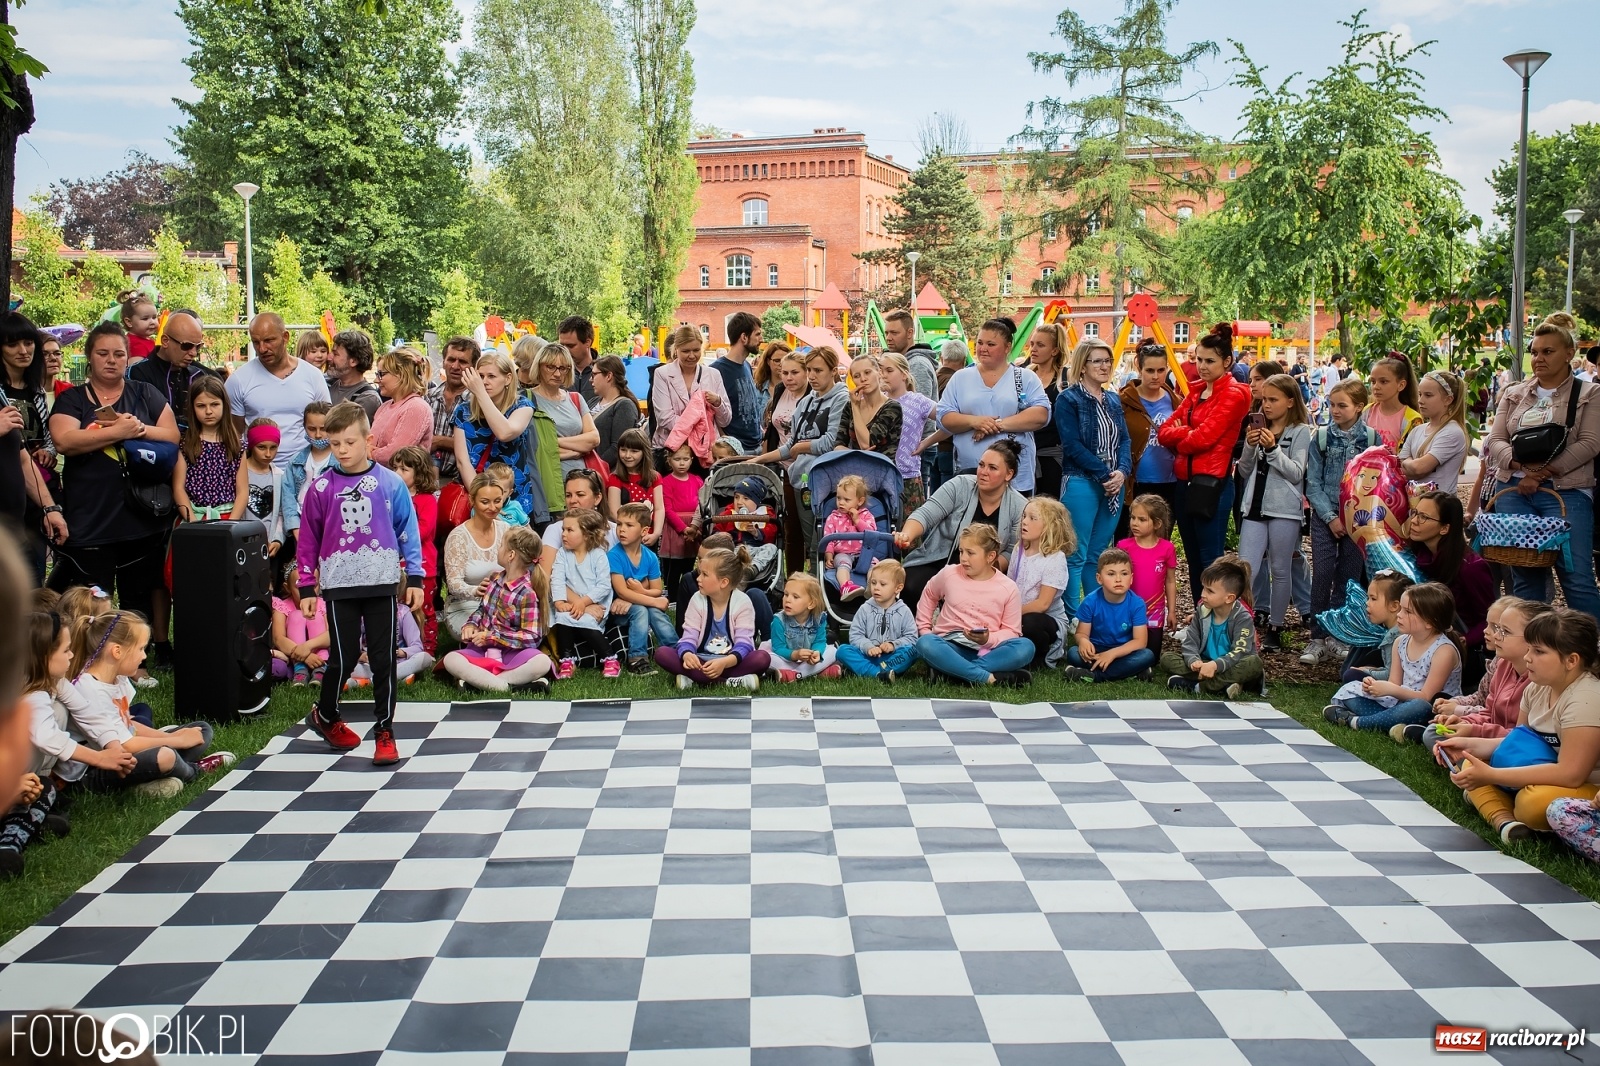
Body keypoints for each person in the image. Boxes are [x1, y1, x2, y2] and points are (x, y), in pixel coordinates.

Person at [296, 402, 425, 767]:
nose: (342, 450)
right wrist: (306, 586)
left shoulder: (391, 482)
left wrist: (414, 577)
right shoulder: (321, 487)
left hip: (382, 582)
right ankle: (326, 713)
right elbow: (308, 539)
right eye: (334, 443)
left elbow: (408, 532)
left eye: (349, 442)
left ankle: (384, 730)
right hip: (339, 586)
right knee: (345, 656)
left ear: (369, 440)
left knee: (383, 658)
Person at [46, 323, 180, 638]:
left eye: (119, 354)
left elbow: (172, 435)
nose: (111, 360)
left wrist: (136, 429)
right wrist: (116, 432)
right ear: (89, 357)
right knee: (92, 598)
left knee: (139, 594)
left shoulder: (144, 393)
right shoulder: (74, 399)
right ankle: (87, 661)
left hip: (142, 513)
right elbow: (65, 440)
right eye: (103, 353)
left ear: (127, 357)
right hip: (92, 516)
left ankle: (138, 661)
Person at [1439, 609, 1600, 844]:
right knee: (1469, 761)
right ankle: (1505, 820)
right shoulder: (1537, 687)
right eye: (1529, 648)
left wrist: (1493, 775)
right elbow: (1518, 742)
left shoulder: (1586, 698)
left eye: (1539, 651)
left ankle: (1495, 803)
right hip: (1542, 770)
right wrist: (1467, 744)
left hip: (1584, 786)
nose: (1528, 657)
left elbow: (1571, 774)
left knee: (1530, 804)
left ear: (1571, 660)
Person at [1482, 312, 1600, 617]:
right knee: (1525, 577)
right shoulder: (1513, 392)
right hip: (1513, 488)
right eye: (1534, 352)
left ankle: (1587, 656)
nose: (1538, 359)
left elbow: (1589, 443)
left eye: (1548, 351)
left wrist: (1540, 473)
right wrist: (1518, 464)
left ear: (1569, 354)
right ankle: (1530, 654)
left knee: (1577, 577)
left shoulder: (1590, 393)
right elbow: (1495, 440)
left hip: (1567, 491)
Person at [12, 610, 137, 873]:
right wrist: (101, 758)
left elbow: (89, 712)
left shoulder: (52, 681)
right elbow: (48, 737)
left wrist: (115, 749)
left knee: (44, 786)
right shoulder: (30, 694)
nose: (71, 656)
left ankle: (28, 812)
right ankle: (11, 839)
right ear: (44, 656)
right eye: (66, 651)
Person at [71, 610, 232, 797]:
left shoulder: (118, 677)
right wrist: (176, 740)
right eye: (140, 649)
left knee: (202, 730)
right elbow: (125, 746)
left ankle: (154, 777)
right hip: (93, 770)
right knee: (165, 755)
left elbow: (128, 725)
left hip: (125, 754)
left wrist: (170, 736)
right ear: (117, 651)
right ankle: (193, 771)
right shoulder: (89, 689)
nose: (144, 656)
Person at [1156, 324, 1252, 599]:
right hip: (1185, 482)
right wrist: (1186, 434)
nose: (1202, 366)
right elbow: (1164, 433)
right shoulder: (1196, 392)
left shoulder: (1233, 394)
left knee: (1211, 557)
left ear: (1227, 362)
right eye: (1199, 359)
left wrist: (1181, 436)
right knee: (1194, 556)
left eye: (1209, 361)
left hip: (1213, 484)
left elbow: (1205, 439)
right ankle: (1201, 615)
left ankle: (1216, 617)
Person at [895, 441, 1028, 612]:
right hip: (939, 560)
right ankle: (913, 631)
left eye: (992, 468)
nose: (983, 472)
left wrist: (985, 569)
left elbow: (1012, 551)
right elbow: (925, 514)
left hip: (985, 569)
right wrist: (906, 535)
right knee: (911, 585)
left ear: (1009, 474)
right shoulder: (959, 485)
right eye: (981, 465)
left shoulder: (1019, 506)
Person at [746, 347, 848, 559]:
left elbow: (831, 441)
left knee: (820, 543)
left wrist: (801, 448)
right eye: (809, 369)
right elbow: (790, 444)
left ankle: (817, 587)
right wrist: (759, 459)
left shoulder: (841, 398)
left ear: (833, 371)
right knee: (803, 537)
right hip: (801, 480)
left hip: (827, 481)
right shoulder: (807, 401)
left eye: (818, 370)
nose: (812, 376)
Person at [1303, 379, 1378, 666]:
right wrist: (1331, 517)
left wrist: (1355, 516)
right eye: (1332, 404)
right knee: (1322, 574)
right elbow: (1313, 483)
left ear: (1359, 407)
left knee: (1348, 577)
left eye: (1342, 405)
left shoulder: (1372, 439)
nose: (1335, 410)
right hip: (1326, 517)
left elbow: (1377, 481)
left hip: (1357, 519)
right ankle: (1317, 636)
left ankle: (1339, 635)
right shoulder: (1321, 438)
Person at [1324, 582, 1463, 736]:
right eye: (1401, 609)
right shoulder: (1400, 641)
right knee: (1351, 689)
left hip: (1430, 709)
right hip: (1399, 702)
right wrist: (1375, 686)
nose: (1399, 615)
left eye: (1407, 611)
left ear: (1429, 622)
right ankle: (1393, 724)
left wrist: (1391, 689)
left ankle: (1357, 722)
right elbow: (1394, 683)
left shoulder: (1444, 651)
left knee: (1419, 707)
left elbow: (1426, 697)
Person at [1056, 337, 1132, 617]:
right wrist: (1104, 474)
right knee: (1076, 554)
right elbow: (1072, 445)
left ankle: (1096, 613)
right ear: (1083, 365)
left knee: (1098, 554)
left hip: (1114, 484)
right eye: (1097, 361)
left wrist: (1122, 472)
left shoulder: (1112, 398)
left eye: (1108, 361)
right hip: (1082, 482)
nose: (1105, 366)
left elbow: (1124, 439)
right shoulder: (1069, 399)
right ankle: (1075, 619)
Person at [1412, 596, 1549, 749]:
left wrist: (1467, 722)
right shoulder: (1503, 664)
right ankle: (1466, 757)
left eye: (1505, 631)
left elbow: (1522, 739)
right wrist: (1464, 722)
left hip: (1514, 745)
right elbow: (1489, 712)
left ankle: (1469, 760)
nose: (1495, 635)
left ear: (1532, 639)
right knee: (1433, 732)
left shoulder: (1541, 680)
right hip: (1494, 736)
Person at [1236, 374, 1312, 651]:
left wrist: (1273, 448)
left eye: (1272, 399)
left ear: (1290, 402)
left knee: (1280, 569)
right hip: (1254, 507)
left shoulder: (1301, 431)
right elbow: (1244, 471)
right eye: (1263, 399)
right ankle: (1240, 623)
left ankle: (1276, 627)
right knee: (1247, 569)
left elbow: (1295, 473)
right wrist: (1249, 445)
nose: (1265, 405)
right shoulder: (1259, 428)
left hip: (1284, 510)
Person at [936, 318, 1051, 494]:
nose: (983, 348)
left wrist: (996, 425)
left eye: (991, 344)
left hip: (1015, 478)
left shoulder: (1025, 377)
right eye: (980, 342)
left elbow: (1041, 415)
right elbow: (944, 417)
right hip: (970, 476)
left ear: (1007, 347)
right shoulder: (961, 378)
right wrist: (974, 422)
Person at [912, 523, 1034, 687]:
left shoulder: (1008, 588)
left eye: (970, 553)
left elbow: (1012, 631)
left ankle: (953, 673)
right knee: (925, 643)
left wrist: (988, 639)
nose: (963, 558)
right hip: (949, 646)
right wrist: (925, 630)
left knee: (1026, 646)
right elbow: (929, 594)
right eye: (961, 551)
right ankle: (988, 678)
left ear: (990, 556)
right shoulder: (949, 574)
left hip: (988, 651)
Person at [443, 525, 553, 695]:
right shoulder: (494, 578)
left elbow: (532, 637)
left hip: (513, 652)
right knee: (451, 659)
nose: (498, 549)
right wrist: (471, 625)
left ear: (511, 555)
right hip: (482, 648)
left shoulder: (527, 593)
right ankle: (512, 685)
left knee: (541, 662)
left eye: (501, 545)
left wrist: (493, 637)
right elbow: (482, 609)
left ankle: (485, 683)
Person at [1407, 490, 1494, 687]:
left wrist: (1465, 640)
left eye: (1424, 517)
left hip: (1459, 651)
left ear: (1445, 528)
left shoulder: (1471, 567)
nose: (1415, 521)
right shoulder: (1416, 557)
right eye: (1415, 513)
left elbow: (1489, 619)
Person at [656, 546, 770, 691]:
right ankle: (731, 681)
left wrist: (724, 663)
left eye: (704, 574)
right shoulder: (697, 600)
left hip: (731, 661)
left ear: (723, 582)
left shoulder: (743, 602)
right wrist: (687, 654)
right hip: (701, 660)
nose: (698, 578)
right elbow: (688, 637)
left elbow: (744, 643)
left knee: (762, 658)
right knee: (662, 654)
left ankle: (695, 679)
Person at [225, 313, 332, 468]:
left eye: (269, 340)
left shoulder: (312, 375)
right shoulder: (238, 380)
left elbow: (327, 424)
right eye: (256, 342)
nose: (262, 348)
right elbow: (234, 434)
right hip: (258, 474)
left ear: (285, 337)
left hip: (307, 470)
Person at [1162, 555, 1262, 698]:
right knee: (1167, 658)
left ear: (1229, 598)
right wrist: (1193, 661)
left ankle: (1198, 686)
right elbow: (1191, 642)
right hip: (1206, 663)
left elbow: (1240, 652)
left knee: (1254, 663)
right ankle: (1225, 685)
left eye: (1210, 591)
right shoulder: (1202, 611)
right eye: (1203, 588)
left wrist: (1215, 666)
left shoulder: (1242, 617)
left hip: (1231, 664)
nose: (1203, 594)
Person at [453, 351, 535, 517]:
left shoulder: (522, 406)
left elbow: (505, 432)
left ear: (508, 378)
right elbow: (463, 462)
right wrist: (481, 497)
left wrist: (480, 394)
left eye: (491, 376)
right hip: (476, 493)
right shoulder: (463, 411)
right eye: (480, 376)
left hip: (513, 497)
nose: (484, 382)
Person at [1117, 343, 1181, 538]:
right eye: (1150, 370)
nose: (1156, 376)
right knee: (1129, 540)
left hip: (1168, 480)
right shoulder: (1123, 401)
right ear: (1140, 369)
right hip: (1135, 481)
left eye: (1161, 370)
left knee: (1160, 542)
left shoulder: (1175, 401)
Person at [1064, 547, 1155, 682]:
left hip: (1123, 652)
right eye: (1111, 574)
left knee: (1147, 655)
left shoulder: (1137, 604)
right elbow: (1081, 633)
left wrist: (1112, 654)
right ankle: (1131, 673)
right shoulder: (1090, 601)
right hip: (1097, 649)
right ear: (1099, 578)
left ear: (1131, 578)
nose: (1118, 579)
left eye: (1124, 574)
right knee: (1074, 654)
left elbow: (1140, 642)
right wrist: (1083, 642)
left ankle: (1095, 676)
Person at [126, 308, 221, 436]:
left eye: (198, 346)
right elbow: (141, 421)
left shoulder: (203, 376)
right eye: (186, 346)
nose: (193, 353)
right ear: (165, 341)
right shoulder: (138, 373)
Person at [608, 502, 677, 675]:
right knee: (642, 610)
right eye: (619, 524)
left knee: (652, 612)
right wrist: (654, 601)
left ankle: (676, 649)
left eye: (629, 525)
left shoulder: (651, 557)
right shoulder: (614, 556)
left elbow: (657, 589)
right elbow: (622, 591)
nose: (621, 529)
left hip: (636, 602)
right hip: (617, 610)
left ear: (644, 531)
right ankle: (637, 659)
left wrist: (641, 591)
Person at [549, 508, 618, 678]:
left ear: (586, 535)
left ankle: (609, 657)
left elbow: (604, 586)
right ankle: (566, 660)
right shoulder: (562, 554)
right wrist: (559, 601)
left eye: (570, 530)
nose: (564, 534)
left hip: (595, 605)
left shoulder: (598, 556)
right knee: (562, 617)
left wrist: (584, 602)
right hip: (571, 604)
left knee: (586, 620)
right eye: (563, 530)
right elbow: (556, 579)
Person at [650, 325, 730, 463]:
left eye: (696, 350)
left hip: (707, 454)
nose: (692, 356)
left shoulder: (713, 374)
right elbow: (664, 418)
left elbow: (725, 420)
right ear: (676, 350)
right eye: (686, 351)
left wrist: (718, 402)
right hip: (673, 454)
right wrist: (699, 434)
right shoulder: (662, 374)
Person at [1009, 496, 1073, 669]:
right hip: (1017, 614)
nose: (1024, 522)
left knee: (1031, 623)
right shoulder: (1019, 549)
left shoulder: (1055, 558)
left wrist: (1010, 614)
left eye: (1032, 518)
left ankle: (1043, 657)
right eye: (1024, 516)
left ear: (1050, 526)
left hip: (1045, 619)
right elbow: (1009, 586)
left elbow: (1043, 604)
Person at [442, 474, 509, 637]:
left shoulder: (506, 529)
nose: (492, 508)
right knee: (486, 635)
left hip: (502, 604)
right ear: (472, 500)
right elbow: (453, 584)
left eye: (497, 501)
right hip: (465, 605)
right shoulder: (458, 536)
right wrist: (476, 590)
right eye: (485, 502)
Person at [388, 446, 440, 654]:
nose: (397, 474)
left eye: (404, 469)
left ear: (419, 473)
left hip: (422, 566)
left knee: (423, 607)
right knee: (401, 608)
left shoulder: (427, 500)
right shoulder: (390, 497)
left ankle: (428, 648)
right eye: (394, 468)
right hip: (394, 565)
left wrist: (395, 534)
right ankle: (404, 644)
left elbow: (422, 531)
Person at [172, 375, 242, 523]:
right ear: (193, 407)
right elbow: (178, 488)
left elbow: (242, 491)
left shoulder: (236, 445)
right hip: (193, 516)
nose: (208, 411)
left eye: (215, 404)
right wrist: (192, 521)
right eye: (201, 406)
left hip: (227, 517)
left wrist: (230, 524)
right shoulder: (185, 444)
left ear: (224, 404)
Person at [1119, 493, 1179, 662]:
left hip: (1154, 612)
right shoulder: (1123, 546)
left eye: (1142, 519)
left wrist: (1172, 612)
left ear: (1157, 523)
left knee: (1151, 657)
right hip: (1127, 608)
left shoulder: (1167, 549)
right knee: (1127, 649)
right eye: (1133, 518)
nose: (1134, 523)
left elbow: (1170, 581)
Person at [837, 559, 919, 681]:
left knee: (914, 650)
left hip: (891, 658)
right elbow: (855, 635)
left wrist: (893, 645)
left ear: (898, 588)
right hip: (867, 656)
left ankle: (872, 671)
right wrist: (869, 647)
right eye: (873, 583)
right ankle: (878, 674)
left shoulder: (904, 611)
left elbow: (911, 638)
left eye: (883, 584)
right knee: (842, 650)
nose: (876, 588)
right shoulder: (865, 608)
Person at [529, 343, 601, 475]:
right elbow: (534, 447)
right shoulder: (527, 399)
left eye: (563, 368)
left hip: (580, 481)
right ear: (539, 367)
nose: (557, 374)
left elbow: (594, 438)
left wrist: (554, 442)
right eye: (551, 367)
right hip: (545, 478)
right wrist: (575, 451)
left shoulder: (575, 398)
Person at [880, 353, 936, 514]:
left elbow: (949, 420)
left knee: (908, 535)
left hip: (908, 478)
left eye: (889, 370)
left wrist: (927, 442)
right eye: (880, 370)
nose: (883, 375)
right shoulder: (876, 400)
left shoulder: (917, 401)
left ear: (904, 374)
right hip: (878, 477)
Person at [1400, 370, 1469, 493]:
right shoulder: (1417, 430)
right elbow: (1400, 466)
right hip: (1415, 505)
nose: (1420, 400)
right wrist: (1411, 465)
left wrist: (1410, 464)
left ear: (1448, 400)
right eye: (1420, 394)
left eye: (1428, 395)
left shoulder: (1452, 432)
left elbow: (1419, 468)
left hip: (1439, 507)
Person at [344, 595, 434, 688]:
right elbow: (352, 651)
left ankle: (367, 681)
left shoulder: (403, 612)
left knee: (425, 658)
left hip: (398, 662)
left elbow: (417, 647)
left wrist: (400, 652)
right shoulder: (360, 614)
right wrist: (363, 657)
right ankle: (398, 676)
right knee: (346, 665)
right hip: (369, 665)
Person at [763, 573, 839, 680]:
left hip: (808, 662)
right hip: (786, 660)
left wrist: (817, 653)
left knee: (833, 652)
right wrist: (795, 655)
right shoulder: (779, 620)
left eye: (795, 597)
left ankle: (793, 675)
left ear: (811, 604)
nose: (788, 600)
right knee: (767, 658)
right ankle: (814, 673)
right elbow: (778, 648)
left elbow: (820, 641)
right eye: (786, 594)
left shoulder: (819, 619)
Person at [1026, 323, 1070, 500]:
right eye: (1032, 344)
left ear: (1054, 351)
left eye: (1040, 345)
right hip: (1024, 456)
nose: (1033, 349)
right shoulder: (1024, 374)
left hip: (1052, 457)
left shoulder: (1066, 378)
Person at [833, 353, 903, 463]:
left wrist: (855, 407)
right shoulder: (849, 406)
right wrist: (857, 455)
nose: (863, 379)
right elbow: (838, 446)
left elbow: (866, 444)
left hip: (882, 470)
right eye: (857, 376)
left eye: (867, 372)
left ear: (879, 372)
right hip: (854, 471)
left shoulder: (892, 407)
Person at [711, 312, 764, 453]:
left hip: (756, 447)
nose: (761, 339)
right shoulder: (716, 370)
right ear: (744, 337)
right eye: (757, 334)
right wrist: (727, 445)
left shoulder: (746, 366)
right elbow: (712, 414)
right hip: (736, 451)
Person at [370, 347, 434, 465]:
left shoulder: (417, 407)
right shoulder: (384, 407)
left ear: (401, 374)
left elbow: (396, 454)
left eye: (381, 374)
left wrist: (368, 453)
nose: (376, 380)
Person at [233, 420, 286, 557]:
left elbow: (281, 513)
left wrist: (278, 539)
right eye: (261, 447)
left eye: (273, 447)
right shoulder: (238, 473)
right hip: (240, 544)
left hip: (268, 547)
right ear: (251, 446)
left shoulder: (280, 476)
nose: (268, 454)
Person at [428, 336, 478, 483]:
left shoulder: (478, 403)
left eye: (462, 362)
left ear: (474, 367)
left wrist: (440, 441)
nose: (455, 367)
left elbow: (477, 445)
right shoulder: (428, 397)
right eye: (451, 360)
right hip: (427, 481)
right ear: (443, 362)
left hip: (463, 483)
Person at [658, 442, 703, 596]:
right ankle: (672, 595)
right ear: (669, 460)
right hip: (675, 528)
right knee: (674, 566)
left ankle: (688, 593)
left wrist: (695, 528)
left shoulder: (697, 480)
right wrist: (683, 529)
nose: (682, 463)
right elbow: (667, 509)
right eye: (677, 459)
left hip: (694, 526)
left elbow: (702, 504)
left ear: (691, 459)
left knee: (689, 564)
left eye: (685, 459)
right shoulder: (666, 481)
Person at [822, 474, 877, 600]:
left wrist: (857, 521)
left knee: (874, 566)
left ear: (860, 501)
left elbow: (872, 533)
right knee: (842, 564)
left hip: (863, 553)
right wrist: (829, 555)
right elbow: (829, 537)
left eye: (846, 500)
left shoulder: (866, 515)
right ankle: (845, 586)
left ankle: (872, 586)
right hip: (843, 553)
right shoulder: (833, 517)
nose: (841, 502)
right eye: (838, 498)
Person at [271, 566, 327, 685]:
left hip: (320, 659)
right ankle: (300, 670)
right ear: (288, 588)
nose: (308, 593)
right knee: (296, 616)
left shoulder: (323, 605)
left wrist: (307, 647)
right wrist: (305, 656)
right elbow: (278, 638)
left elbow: (331, 635)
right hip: (294, 659)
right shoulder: (282, 607)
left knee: (315, 617)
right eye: (300, 588)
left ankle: (320, 670)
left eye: (314, 586)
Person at [606, 428, 663, 544]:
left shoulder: (655, 477)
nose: (627, 455)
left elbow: (659, 508)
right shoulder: (615, 478)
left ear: (644, 452)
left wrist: (656, 533)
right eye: (623, 450)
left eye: (634, 451)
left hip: (648, 537)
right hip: (624, 537)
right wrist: (631, 531)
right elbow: (614, 511)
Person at [1360, 353, 1422, 452]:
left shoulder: (1412, 420)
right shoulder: (1366, 412)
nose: (1376, 387)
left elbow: (1413, 455)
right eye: (1373, 381)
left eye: (1383, 381)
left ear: (1401, 385)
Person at [283, 401, 334, 520]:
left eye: (323, 429)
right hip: (300, 522)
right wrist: (294, 527)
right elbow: (288, 498)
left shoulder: (342, 462)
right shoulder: (295, 461)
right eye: (311, 429)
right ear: (304, 427)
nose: (317, 435)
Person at [590, 355, 641, 469]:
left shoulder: (624, 406)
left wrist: (595, 468)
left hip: (607, 475)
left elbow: (618, 447)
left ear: (608, 376)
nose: (590, 379)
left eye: (594, 375)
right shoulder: (593, 402)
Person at [326, 329, 382, 421]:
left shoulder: (367, 398)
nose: (329, 357)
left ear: (353, 361)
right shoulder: (327, 385)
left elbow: (344, 432)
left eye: (335, 354)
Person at [762, 348, 809, 456]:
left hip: (802, 464)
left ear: (806, 372)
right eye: (785, 373)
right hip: (777, 462)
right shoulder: (780, 389)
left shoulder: (814, 395)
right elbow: (771, 431)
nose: (789, 378)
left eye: (795, 372)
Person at [883, 308, 937, 401]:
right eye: (887, 333)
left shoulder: (918, 365)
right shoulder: (897, 362)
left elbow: (917, 409)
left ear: (909, 333)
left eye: (894, 333)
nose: (888, 338)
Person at [557, 315, 599, 405]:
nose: (565, 350)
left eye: (570, 346)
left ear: (588, 342)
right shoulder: (555, 372)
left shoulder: (607, 371)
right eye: (561, 345)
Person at [118, 289, 161, 363]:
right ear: (129, 322)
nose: (152, 322)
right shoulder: (135, 345)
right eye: (145, 319)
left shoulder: (145, 340)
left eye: (154, 317)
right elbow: (136, 371)